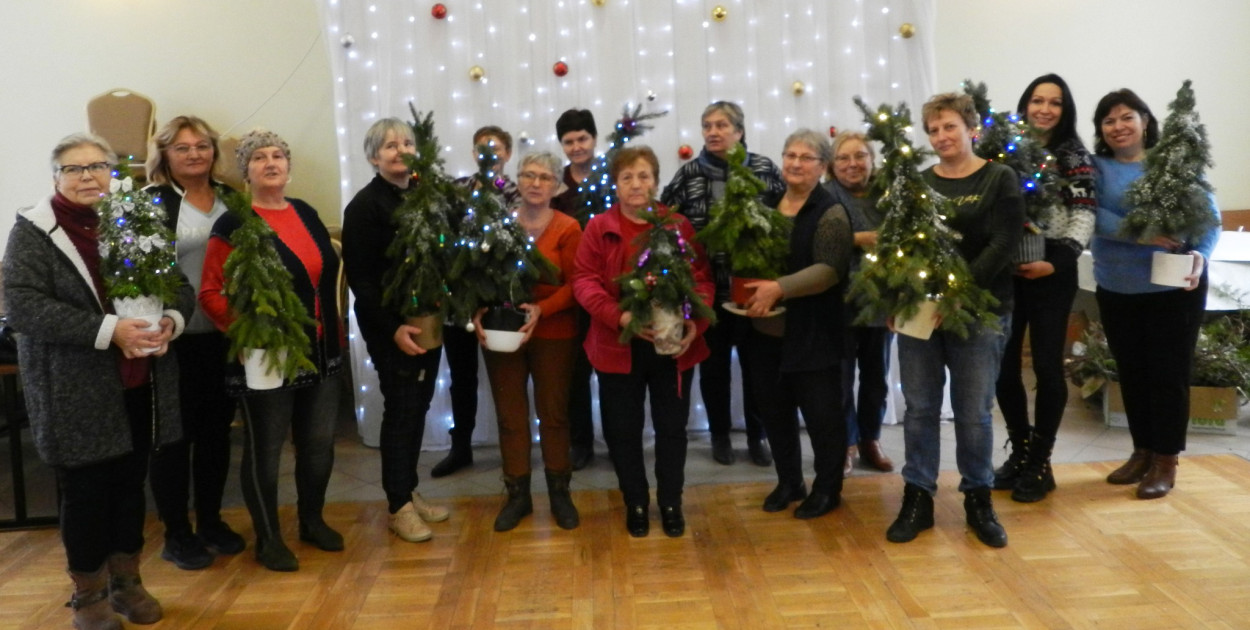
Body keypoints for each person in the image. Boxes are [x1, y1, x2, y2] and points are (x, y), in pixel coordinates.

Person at [4, 133, 193, 628]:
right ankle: (87, 596)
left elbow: (178, 285)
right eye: (74, 169)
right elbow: (22, 305)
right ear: (56, 178)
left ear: (113, 172)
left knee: (130, 488)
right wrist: (107, 330)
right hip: (75, 391)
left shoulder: (135, 221)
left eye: (97, 166)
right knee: (87, 495)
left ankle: (127, 583)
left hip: (139, 381)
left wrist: (172, 317)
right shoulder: (34, 231)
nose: (87, 176)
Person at [199, 129, 345, 571]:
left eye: (278, 154)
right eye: (259, 157)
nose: (271, 162)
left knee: (318, 442)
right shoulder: (233, 223)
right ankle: (268, 537)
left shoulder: (305, 212)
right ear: (246, 171)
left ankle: (312, 520)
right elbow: (210, 291)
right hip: (267, 355)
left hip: (321, 347)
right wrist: (246, 333)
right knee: (266, 447)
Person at [886, 93, 1022, 549]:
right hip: (922, 315)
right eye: (933, 130)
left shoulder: (999, 178)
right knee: (921, 409)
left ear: (971, 128)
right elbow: (904, 250)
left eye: (949, 127)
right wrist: (898, 298)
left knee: (973, 413)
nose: (941, 137)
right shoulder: (920, 183)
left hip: (979, 313)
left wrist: (956, 293)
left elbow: (1003, 244)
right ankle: (918, 495)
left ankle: (978, 498)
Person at [572, 146, 714, 538]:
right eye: (627, 178)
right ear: (616, 185)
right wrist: (621, 316)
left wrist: (694, 326)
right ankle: (634, 501)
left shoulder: (678, 226)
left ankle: (671, 501)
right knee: (623, 429)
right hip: (617, 345)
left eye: (644, 176)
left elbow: (701, 279)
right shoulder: (598, 228)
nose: (636, 185)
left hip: (672, 348)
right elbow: (584, 281)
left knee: (672, 429)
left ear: (656, 180)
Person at [1090, 89, 1219, 500]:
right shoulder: (1097, 169)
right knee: (1132, 372)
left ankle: (1166, 459)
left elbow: (1210, 218)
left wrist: (1201, 254)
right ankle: (1141, 451)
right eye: (1108, 121)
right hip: (1117, 286)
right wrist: (1142, 234)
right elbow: (1092, 213)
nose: (1118, 127)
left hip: (1173, 287)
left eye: (1126, 117)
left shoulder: (1174, 164)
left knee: (1168, 375)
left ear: (1146, 121)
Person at [143, 115, 247, 571]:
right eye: (182, 148)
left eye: (201, 146)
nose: (193, 154)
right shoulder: (149, 203)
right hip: (173, 338)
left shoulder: (231, 199)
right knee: (173, 437)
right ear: (164, 154)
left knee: (214, 435)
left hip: (222, 334)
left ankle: (210, 520)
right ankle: (176, 533)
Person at [342, 118, 451, 543]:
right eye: (389, 146)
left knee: (419, 405)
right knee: (402, 408)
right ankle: (397, 506)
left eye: (407, 143)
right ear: (374, 157)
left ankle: (407, 490)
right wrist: (393, 329)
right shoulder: (365, 207)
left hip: (427, 319)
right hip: (392, 326)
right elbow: (362, 280)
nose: (400, 150)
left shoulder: (424, 197)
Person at [661, 101, 783, 467]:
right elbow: (666, 224)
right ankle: (719, 434)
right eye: (707, 126)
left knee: (757, 368)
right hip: (707, 292)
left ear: (739, 131)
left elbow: (783, 221)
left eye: (721, 125)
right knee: (714, 369)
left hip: (754, 291)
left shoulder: (764, 170)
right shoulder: (688, 174)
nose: (713, 132)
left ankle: (757, 435)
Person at [992, 75, 1097, 502]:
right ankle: (1018, 451)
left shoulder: (1075, 156)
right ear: (1025, 104)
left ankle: (1041, 462)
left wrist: (1055, 261)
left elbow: (1084, 215)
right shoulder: (1006, 150)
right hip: (1008, 268)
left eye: (1054, 102)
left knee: (1049, 369)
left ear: (1065, 109)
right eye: (1037, 100)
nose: (1045, 109)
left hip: (1054, 269)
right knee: (1004, 365)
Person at [472, 152, 583, 532]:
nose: (536, 183)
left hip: (554, 333)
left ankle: (559, 493)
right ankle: (517, 495)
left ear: (557, 185)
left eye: (545, 177)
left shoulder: (569, 229)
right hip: (504, 333)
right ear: (517, 181)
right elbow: (479, 278)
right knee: (510, 416)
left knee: (553, 414)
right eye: (528, 175)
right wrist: (478, 311)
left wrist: (543, 309)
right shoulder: (499, 226)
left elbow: (577, 285)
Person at [744, 129, 852, 519]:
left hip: (814, 333)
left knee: (822, 417)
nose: (795, 163)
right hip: (765, 334)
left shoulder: (831, 211)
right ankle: (789, 480)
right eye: (790, 154)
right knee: (774, 413)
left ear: (822, 167)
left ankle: (828, 488)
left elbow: (829, 270)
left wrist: (779, 288)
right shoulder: (768, 203)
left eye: (806, 157)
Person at [432, 125, 518, 478]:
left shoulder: (514, 193)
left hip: (499, 299)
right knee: (462, 377)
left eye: (496, 148)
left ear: (507, 154)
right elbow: (444, 235)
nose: (488, 154)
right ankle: (461, 447)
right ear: (472, 152)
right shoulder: (457, 191)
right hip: (459, 302)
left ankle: (513, 447)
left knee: (504, 376)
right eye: (482, 147)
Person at [823, 131, 895, 477]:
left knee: (876, 377)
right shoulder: (823, 196)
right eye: (843, 158)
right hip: (838, 299)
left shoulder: (889, 194)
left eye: (860, 156)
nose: (852, 164)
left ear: (871, 159)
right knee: (839, 378)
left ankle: (871, 439)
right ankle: (846, 443)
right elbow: (813, 237)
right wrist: (858, 239)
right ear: (832, 165)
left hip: (881, 300)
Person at [551, 108, 601, 470]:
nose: (576, 146)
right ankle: (581, 442)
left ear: (594, 139)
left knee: (616, 372)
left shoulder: (612, 177)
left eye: (582, 138)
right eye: (569, 141)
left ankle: (618, 437)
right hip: (572, 292)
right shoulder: (557, 184)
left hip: (612, 289)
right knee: (575, 373)